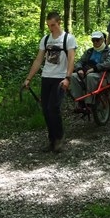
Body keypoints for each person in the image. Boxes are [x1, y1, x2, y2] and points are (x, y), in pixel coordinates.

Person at [23, 12, 76, 153]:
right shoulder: (45, 40)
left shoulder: (68, 39)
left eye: (53, 25)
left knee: (54, 108)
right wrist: (29, 78)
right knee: (46, 109)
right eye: (48, 25)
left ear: (59, 23)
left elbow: (71, 59)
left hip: (60, 78)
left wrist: (68, 78)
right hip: (46, 77)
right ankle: (51, 140)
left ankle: (59, 138)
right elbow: (38, 60)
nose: (50, 28)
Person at [71, 31, 110, 110]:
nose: (95, 42)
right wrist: (80, 69)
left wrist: (95, 68)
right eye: (93, 40)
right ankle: (80, 101)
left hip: (103, 74)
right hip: (87, 72)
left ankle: (89, 103)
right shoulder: (89, 51)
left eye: (97, 40)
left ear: (102, 40)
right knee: (74, 76)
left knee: (90, 76)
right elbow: (80, 61)